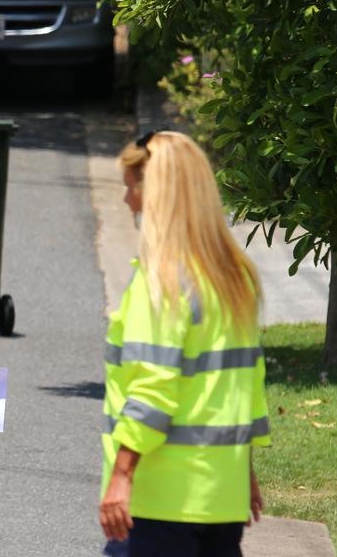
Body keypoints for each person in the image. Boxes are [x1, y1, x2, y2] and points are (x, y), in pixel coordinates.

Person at [100, 130, 270, 557]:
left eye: (132, 186)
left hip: (159, 499)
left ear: (157, 193)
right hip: (221, 497)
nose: (126, 200)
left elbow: (152, 390)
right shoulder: (235, 278)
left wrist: (121, 476)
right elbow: (244, 389)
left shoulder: (161, 283)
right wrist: (244, 475)